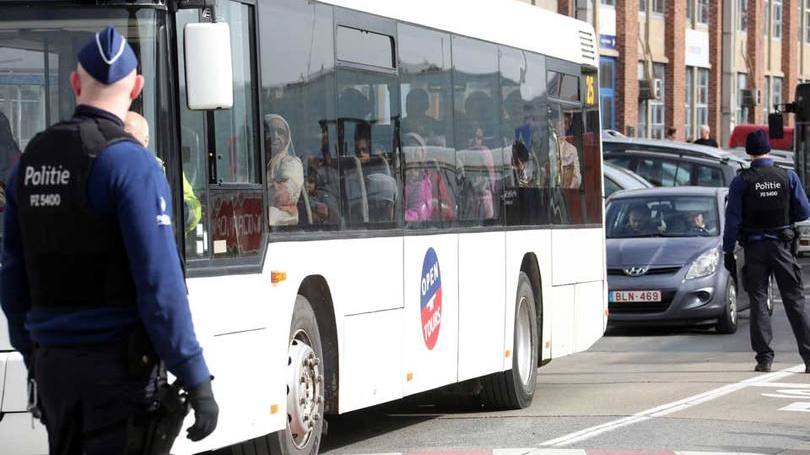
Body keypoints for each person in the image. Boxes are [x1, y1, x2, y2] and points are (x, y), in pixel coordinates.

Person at [0, 27, 218, 453]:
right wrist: (195, 376)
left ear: (74, 83)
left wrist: (35, 357)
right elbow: (160, 285)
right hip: (118, 374)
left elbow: (12, 279)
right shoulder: (130, 164)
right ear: (136, 88)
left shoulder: (31, 162)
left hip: (54, 370)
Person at [723, 130, 810, 374]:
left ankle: (764, 359)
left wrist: (728, 250)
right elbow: (804, 211)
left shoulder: (742, 181)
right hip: (782, 245)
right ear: (769, 149)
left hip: (754, 248)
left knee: (759, 301)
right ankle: (808, 356)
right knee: (794, 300)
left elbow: (732, 221)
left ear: (749, 152)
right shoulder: (787, 176)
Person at [124, 111, 201, 233]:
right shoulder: (106, 167)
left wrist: (178, 211)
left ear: (146, 141)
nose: (126, 144)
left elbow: (193, 206)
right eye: (121, 138)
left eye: (131, 138)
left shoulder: (164, 169)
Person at [265, 114, 304, 226]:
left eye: (280, 132)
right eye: (270, 131)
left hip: (283, 221)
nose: (275, 136)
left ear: (287, 138)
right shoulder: (258, 165)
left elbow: (281, 196)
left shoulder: (292, 163)